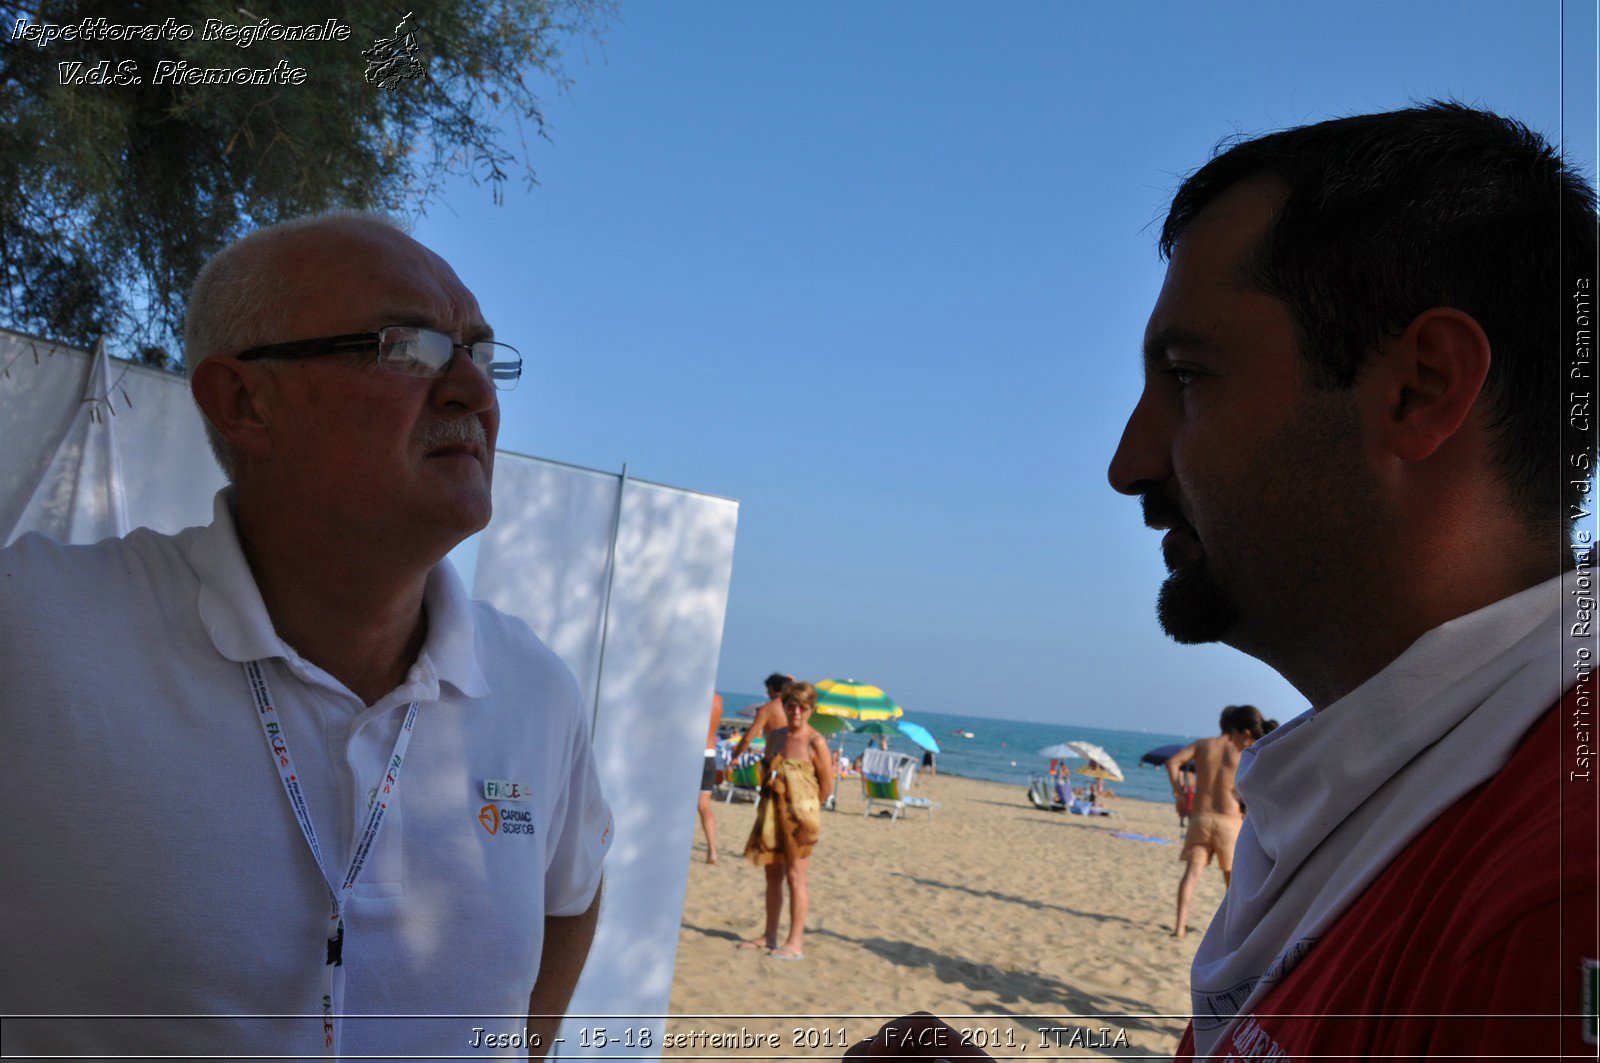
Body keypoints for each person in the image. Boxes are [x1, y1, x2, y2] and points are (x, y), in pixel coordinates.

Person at [849, 102, 1597, 1059]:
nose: (1129, 460)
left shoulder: (1556, 895)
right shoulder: (1401, 797)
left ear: (1421, 387)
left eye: (1189, 377)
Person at [0, 213, 613, 1060]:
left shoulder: (535, 687)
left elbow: (572, 889)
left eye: (479, 352)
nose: (475, 391)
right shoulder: (33, 633)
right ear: (246, 400)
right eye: (411, 348)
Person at [738, 681, 835, 960]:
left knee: (796, 876)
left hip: (800, 818)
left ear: (810, 709)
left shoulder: (816, 741)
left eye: (802, 707)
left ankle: (795, 942)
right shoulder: (776, 736)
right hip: (771, 812)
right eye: (791, 706)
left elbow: (826, 786)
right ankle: (769, 935)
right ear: (785, 706)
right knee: (772, 876)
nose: (796, 712)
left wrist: (803, 807)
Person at [1164, 705, 1269, 937]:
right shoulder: (1241, 747)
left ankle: (1179, 927)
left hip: (1200, 817)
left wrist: (1180, 794)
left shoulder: (1202, 745)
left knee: (1191, 874)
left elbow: (1172, 762)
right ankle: (1235, 931)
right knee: (1232, 882)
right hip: (1229, 820)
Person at [728, 672, 791, 761]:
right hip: (793, 758)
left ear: (771, 687)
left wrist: (735, 756)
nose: (767, 692)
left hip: (774, 758)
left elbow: (748, 738)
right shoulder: (794, 708)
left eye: (767, 689)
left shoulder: (767, 709)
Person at [697, 693, 724, 863]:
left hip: (694, 754)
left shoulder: (698, 696)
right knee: (704, 806)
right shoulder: (718, 700)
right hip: (710, 753)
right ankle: (712, 850)